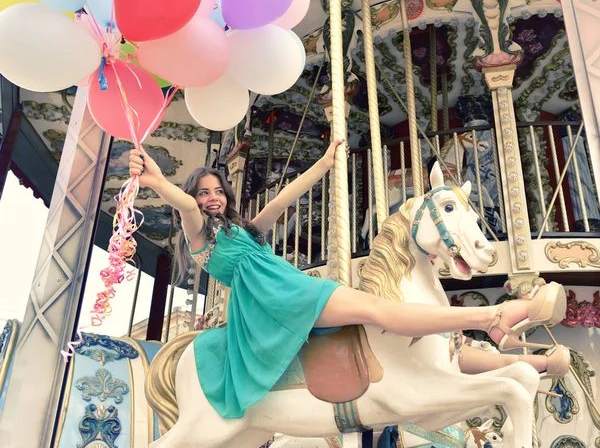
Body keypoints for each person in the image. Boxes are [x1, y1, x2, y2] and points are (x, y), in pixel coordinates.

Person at [128, 143, 569, 419]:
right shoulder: (198, 234)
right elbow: (182, 203)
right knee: (376, 309)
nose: (210, 198)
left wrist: (323, 164)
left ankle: (505, 345)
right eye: (203, 192)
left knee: (378, 320)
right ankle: (494, 315)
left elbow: (284, 198)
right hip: (276, 302)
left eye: (217, 191)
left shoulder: (245, 231)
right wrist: (157, 180)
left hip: (293, 288)